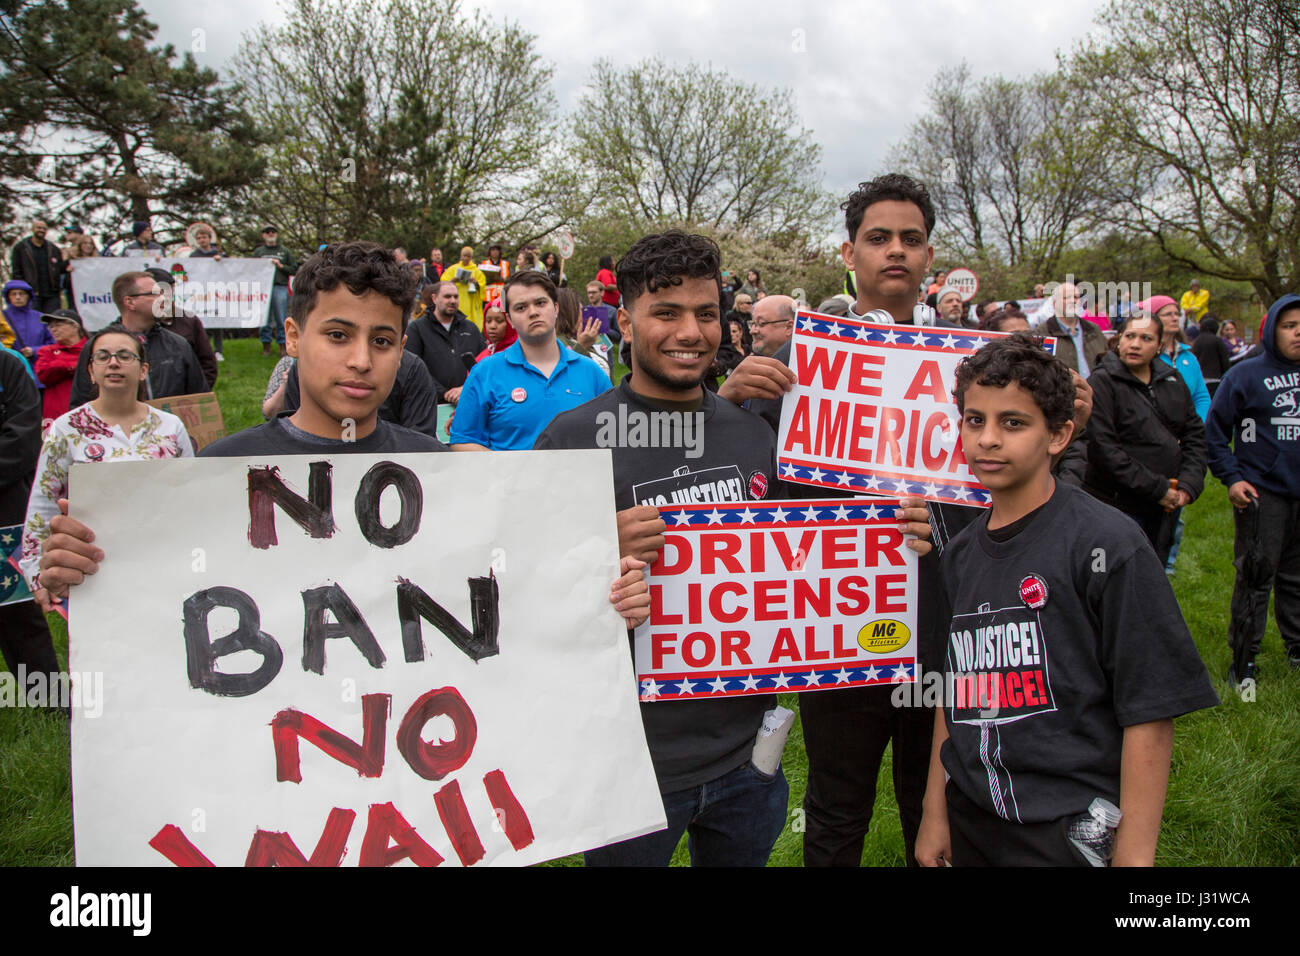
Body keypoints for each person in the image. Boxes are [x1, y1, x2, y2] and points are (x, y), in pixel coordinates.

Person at [33, 242, 650, 627]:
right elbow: (163, 618)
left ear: (401, 350)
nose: (361, 360)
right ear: (294, 338)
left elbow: (513, 594)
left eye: (381, 341)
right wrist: (91, 577)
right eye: (337, 335)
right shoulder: (215, 474)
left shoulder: (445, 476)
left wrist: (600, 585)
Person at [533, 231, 838, 865]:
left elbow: (810, 558)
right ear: (625, 320)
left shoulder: (755, 437)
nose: (690, 331)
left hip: (747, 757)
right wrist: (597, 549)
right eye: (666, 313)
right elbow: (525, 597)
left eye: (705, 314)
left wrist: (899, 530)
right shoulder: (572, 440)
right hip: (627, 758)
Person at [914, 332, 1217, 867]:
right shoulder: (959, 553)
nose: (987, 439)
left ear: (1059, 435)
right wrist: (935, 810)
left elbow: (1149, 711)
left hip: (1067, 828)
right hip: (972, 817)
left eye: (1013, 423)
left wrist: (1135, 855)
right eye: (974, 419)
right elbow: (953, 689)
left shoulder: (1109, 544)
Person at [20, 325, 196, 596]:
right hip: (93, 563)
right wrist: (36, 573)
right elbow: (44, 501)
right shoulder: (66, 428)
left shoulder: (170, 426)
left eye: (125, 355)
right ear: (91, 371)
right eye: (103, 356)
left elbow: (191, 491)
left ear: (143, 370)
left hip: (161, 556)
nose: (113, 362)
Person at [1206, 294, 1300, 684]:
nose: (1298, 334)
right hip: (1262, 494)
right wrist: (1233, 477)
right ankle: (1244, 659)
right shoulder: (1244, 374)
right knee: (1256, 576)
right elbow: (1213, 434)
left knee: (1297, 579)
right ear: (1272, 328)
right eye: (1290, 326)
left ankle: (1297, 651)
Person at [1083, 314, 1207, 565]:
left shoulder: (1171, 379)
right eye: (1129, 336)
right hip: (1117, 505)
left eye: (1146, 338)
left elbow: (1194, 434)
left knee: (1154, 575)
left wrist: (1188, 484)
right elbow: (1105, 450)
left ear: (1159, 345)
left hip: (1165, 506)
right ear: (1119, 340)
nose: (1136, 344)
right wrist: (1158, 489)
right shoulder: (1102, 382)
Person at [450, 270, 611, 451]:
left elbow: (615, 438)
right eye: (521, 308)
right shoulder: (484, 372)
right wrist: (508, 473)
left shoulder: (592, 372)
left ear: (556, 308)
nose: (533, 312)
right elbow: (462, 441)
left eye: (540, 303)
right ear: (509, 319)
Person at [67, 271, 206, 408]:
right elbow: (80, 404)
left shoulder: (178, 345)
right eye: (155, 294)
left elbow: (201, 400)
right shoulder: (97, 347)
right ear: (130, 302)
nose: (165, 299)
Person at [403, 279, 485, 405]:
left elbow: (484, 364)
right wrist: (444, 393)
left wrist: (465, 389)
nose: (452, 301)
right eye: (447, 296)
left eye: (456, 297)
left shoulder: (471, 328)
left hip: (469, 401)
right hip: (430, 404)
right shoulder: (417, 329)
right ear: (434, 298)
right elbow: (410, 366)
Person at [145, 267, 219, 390]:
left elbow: (207, 363)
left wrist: (197, 394)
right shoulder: (138, 325)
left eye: (169, 290)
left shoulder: (189, 320)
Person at [1034, 282, 1107, 377]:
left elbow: (1107, 361)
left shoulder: (1094, 330)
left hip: (1097, 390)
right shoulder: (1042, 334)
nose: (1073, 301)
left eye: (1076, 297)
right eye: (1067, 298)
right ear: (1055, 303)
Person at [34, 309, 87, 424]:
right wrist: (74, 366)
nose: (53, 329)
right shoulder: (47, 351)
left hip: (88, 413)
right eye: (50, 326)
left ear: (75, 326)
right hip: (56, 416)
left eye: (58, 325)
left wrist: (59, 365)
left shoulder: (92, 348)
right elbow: (43, 375)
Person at [252, 226, 299, 356]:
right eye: (267, 232)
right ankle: (266, 346)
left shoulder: (284, 251)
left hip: (280, 286)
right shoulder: (259, 252)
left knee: (281, 318)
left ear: (276, 234)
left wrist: (281, 266)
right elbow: (251, 270)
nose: (270, 234)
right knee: (264, 319)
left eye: (273, 232)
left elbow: (294, 268)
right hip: (263, 289)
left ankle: (283, 346)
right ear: (263, 235)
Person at [11, 221, 66, 314]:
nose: (41, 230)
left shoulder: (53, 248)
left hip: (52, 295)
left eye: (44, 228)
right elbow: (16, 271)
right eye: (38, 228)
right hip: (32, 294)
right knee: (34, 322)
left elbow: (60, 268)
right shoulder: (21, 248)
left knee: (53, 322)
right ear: (32, 229)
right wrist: (21, 290)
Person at [555, 287, 609, 377]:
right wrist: (582, 347)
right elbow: (563, 377)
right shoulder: (556, 344)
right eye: (580, 310)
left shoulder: (573, 340)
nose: (584, 315)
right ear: (569, 313)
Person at [2, 279, 55, 373]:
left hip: (38, 370)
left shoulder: (41, 318)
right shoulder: (1, 318)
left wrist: (34, 351)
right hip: (9, 370)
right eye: (13, 294)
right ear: (8, 297)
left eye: (21, 293)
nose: (17, 297)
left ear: (28, 296)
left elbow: (53, 344)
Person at [444, 246, 488, 330]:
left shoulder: (477, 271)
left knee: (469, 324)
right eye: (464, 255)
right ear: (461, 256)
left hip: (470, 301)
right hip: (457, 300)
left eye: (468, 256)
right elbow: (443, 283)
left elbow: (482, 286)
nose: (466, 258)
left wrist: (476, 284)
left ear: (471, 257)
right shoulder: (453, 269)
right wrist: (453, 280)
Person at [1191, 314, 1232, 397]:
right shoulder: (1217, 341)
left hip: (1200, 380)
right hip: (1215, 379)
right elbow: (1225, 361)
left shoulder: (1196, 342)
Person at [474, 297, 517, 362]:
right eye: (488, 321)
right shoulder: (481, 358)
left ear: (510, 322)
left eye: (499, 321)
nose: (492, 326)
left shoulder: (520, 355)